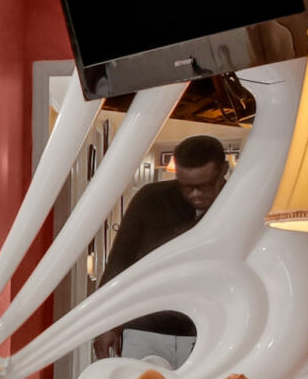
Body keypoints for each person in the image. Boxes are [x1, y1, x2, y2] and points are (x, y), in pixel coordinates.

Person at [92, 135, 229, 362]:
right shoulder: (150, 200)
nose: (195, 194)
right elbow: (119, 263)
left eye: (204, 186)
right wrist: (107, 325)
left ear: (223, 169)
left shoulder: (239, 204)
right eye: (186, 187)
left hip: (212, 333)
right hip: (145, 329)